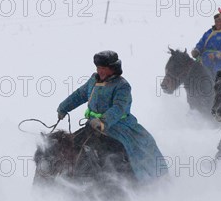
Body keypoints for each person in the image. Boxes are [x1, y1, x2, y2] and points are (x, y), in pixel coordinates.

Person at [57, 50, 167, 182]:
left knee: (133, 149)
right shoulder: (93, 80)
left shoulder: (122, 86)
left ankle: (134, 179)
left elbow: (119, 108)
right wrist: (64, 107)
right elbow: (79, 95)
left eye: (104, 68)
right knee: (72, 145)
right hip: (92, 125)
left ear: (113, 68)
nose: (100, 71)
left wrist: (103, 121)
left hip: (118, 126)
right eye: (98, 68)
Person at [191, 9, 221, 75]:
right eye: (217, 21)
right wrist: (197, 50)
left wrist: (219, 54)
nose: (218, 23)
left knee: (219, 73)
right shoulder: (209, 32)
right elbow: (201, 42)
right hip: (204, 58)